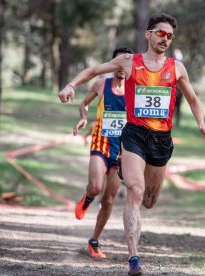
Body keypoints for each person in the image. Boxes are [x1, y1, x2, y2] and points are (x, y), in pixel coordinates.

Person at [58, 13, 205, 276]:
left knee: (150, 200)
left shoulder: (176, 68)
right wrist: (71, 84)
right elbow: (95, 70)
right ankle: (134, 259)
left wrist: (201, 124)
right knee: (136, 191)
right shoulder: (130, 62)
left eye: (169, 36)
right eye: (160, 33)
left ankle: (134, 197)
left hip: (161, 140)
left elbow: (193, 100)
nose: (165, 39)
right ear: (148, 34)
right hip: (134, 136)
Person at [72, 47, 134, 259]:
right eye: (117, 64)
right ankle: (87, 198)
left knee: (109, 200)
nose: (122, 69)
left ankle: (94, 241)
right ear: (113, 64)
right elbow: (84, 103)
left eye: (126, 65)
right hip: (100, 142)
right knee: (96, 187)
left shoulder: (135, 89)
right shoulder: (101, 84)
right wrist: (83, 118)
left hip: (122, 150)